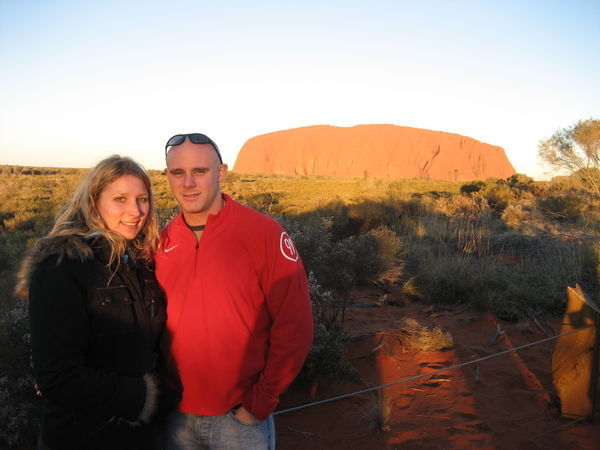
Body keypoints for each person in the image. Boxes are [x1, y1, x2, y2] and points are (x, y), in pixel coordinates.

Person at [156, 133, 313, 449]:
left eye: (200, 171)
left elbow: (295, 325)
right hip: (176, 420)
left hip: (239, 422)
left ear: (221, 173)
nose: (188, 183)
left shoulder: (264, 234)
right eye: (178, 173)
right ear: (167, 177)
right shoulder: (161, 241)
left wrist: (259, 404)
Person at [16, 155, 174, 449]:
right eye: (120, 199)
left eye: (142, 199)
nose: (135, 211)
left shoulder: (139, 263)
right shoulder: (63, 267)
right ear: (93, 202)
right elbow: (57, 376)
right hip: (81, 437)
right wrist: (144, 397)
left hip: (139, 437)